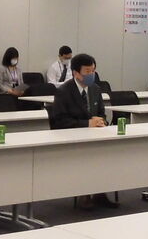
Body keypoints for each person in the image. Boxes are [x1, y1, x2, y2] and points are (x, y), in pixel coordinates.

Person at [50, 53, 117, 209]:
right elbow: (59, 121)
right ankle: (84, 194)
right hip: (72, 139)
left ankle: (100, 193)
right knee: (87, 157)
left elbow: (101, 113)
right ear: (76, 73)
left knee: (108, 154)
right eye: (87, 71)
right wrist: (87, 123)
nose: (91, 74)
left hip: (95, 137)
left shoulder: (95, 89)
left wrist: (101, 121)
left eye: (93, 70)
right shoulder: (63, 91)